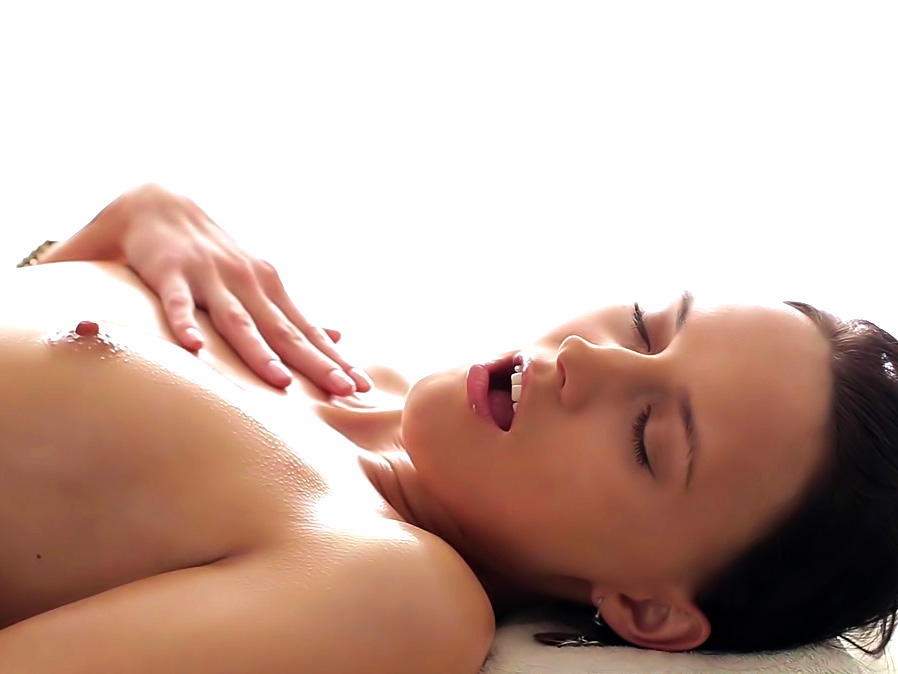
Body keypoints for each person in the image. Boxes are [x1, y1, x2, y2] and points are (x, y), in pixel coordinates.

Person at [0, 183, 895, 671]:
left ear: (648, 609)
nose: (586, 357)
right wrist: (125, 221)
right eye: (644, 327)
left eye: (647, 437)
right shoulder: (347, 362)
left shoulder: (401, 596)